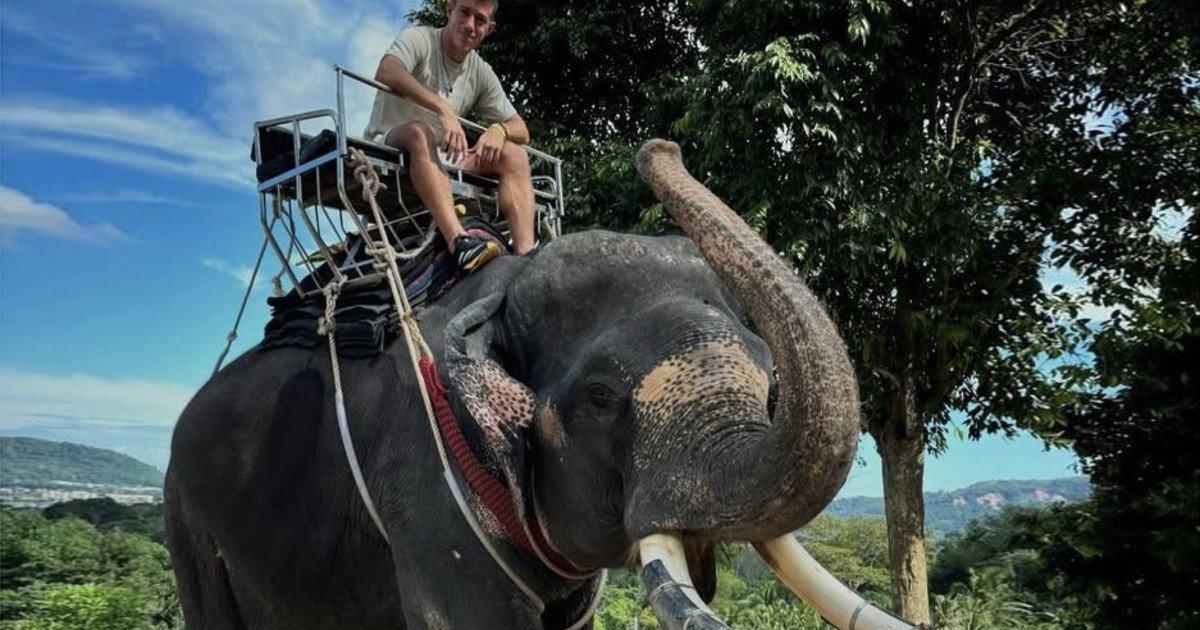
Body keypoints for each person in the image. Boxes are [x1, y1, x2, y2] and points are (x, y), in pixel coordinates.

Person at [364, 0, 535, 275]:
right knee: (419, 132)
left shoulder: (480, 71)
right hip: (390, 144)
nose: (470, 25)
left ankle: (527, 257)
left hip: (443, 156)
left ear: (489, 29)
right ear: (449, 10)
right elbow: (388, 70)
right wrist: (442, 109)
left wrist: (498, 130)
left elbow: (521, 129)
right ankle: (459, 241)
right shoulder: (420, 38)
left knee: (515, 154)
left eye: (480, 20)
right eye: (464, 12)